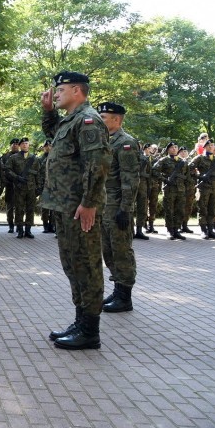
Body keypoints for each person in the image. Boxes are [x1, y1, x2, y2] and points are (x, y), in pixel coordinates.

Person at [40, 71, 110, 350]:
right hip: (66, 206)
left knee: (87, 265)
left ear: (77, 90)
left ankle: (90, 331)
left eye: (60, 90)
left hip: (81, 207)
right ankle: (81, 320)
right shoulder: (71, 121)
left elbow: (98, 164)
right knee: (72, 265)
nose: (55, 94)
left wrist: (90, 202)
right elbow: (55, 136)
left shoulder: (89, 120)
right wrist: (47, 112)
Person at [96, 102, 139, 313]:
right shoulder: (104, 141)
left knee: (121, 250)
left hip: (117, 205)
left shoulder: (126, 143)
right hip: (103, 205)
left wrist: (126, 209)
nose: (99, 119)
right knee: (108, 250)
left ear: (117, 119)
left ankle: (125, 296)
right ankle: (117, 288)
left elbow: (130, 179)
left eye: (103, 116)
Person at [5, 137, 41, 238]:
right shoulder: (13, 158)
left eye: (27, 143)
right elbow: (7, 170)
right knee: (19, 209)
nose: (25, 145)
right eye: (23, 144)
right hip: (19, 188)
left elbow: (38, 174)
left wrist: (39, 187)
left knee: (30, 209)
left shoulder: (34, 158)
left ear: (29, 145)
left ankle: (28, 230)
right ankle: (20, 230)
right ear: (20, 146)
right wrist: (17, 177)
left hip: (31, 188)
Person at [153, 142, 188, 240]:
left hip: (181, 189)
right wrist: (164, 180)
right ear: (168, 149)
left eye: (176, 147)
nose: (174, 149)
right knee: (169, 210)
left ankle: (176, 230)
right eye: (172, 147)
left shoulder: (183, 162)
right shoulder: (164, 160)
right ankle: (170, 231)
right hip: (169, 189)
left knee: (180, 210)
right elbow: (154, 170)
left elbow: (187, 176)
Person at [190, 139, 215, 239]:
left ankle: (210, 230)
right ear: (204, 147)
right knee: (203, 209)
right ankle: (203, 230)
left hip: (214, 188)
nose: (211, 147)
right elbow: (189, 168)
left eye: (213, 145)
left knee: (212, 210)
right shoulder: (200, 158)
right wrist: (199, 176)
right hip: (203, 188)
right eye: (209, 145)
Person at [1, 138, 20, 233]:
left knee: (20, 206)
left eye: (17, 144)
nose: (15, 145)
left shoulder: (23, 156)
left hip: (20, 186)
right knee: (10, 206)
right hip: (9, 185)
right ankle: (11, 225)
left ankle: (18, 224)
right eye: (13, 144)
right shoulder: (5, 157)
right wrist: (5, 181)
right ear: (10, 145)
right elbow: (2, 171)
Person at [133, 142, 151, 240]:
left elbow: (149, 174)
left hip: (142, 186)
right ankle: (130, 230)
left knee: (142, 208)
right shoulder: (129, 158)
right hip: (131, 185)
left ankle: (139, 230)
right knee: (130, 208)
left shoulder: (145, 159)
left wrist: (149, 188)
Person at [37, 140, 55, 233]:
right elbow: (38, 174)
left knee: (53, 208)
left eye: (49, 145)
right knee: (44, 208)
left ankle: (52, 225)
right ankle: (45, 225)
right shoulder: (40, 160)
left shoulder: (56, 158)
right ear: (43, 147)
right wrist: (39, 187)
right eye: (46, 146)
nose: (48, 147)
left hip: (54, 187)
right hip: (44, 186)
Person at [178, 147, 197, 234]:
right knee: (179, 207)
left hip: (190, 187)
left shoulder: (191, 161)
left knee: (188, 207)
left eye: (185, 151)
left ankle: (185, 225)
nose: (183, 153)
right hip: (180, 188)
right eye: (181, 152)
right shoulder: (177, 161)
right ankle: (177, 226)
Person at [145, 144, 161, 233]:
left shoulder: (158, 160)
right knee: (144, 205)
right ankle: (144, 224)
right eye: (153, 149)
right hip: (145, 184)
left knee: (153, 205)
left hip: (154, 185)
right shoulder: (145, 158)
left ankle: (151, 225)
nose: (155, 150)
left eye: (156, 149)